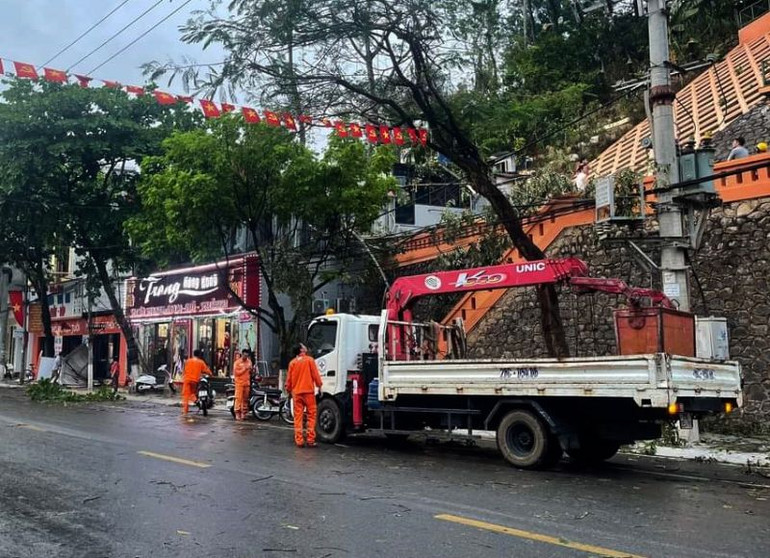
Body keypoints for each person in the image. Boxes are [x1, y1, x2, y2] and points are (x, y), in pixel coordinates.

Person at [285, 343, 323, 448]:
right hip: (308, 393)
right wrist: (319, 386)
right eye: (303, 346)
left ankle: (299, 441)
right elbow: (315, 375)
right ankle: (310, 440)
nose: (305, 346)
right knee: (311, 416)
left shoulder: (292, 363)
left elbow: (289, 380)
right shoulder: (309, 360)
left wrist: (288, 390)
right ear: (302, 350)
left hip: (296, 393)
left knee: (298, 417)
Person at [181, 349, 211, 415]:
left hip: (187, 380)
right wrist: (211, 374)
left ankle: (185, 411)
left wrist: (183, 378)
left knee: (186, 396)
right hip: (194, 381)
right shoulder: (201, 362)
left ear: (193, 354)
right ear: (199, 355)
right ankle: (196, 401)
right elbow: (206, 370)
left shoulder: (188, 361)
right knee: (192, 393)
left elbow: (184, 371)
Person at [233, 350, 253, 421]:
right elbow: (236, 373)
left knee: (245, 399)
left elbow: (250, 372)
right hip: (239, 383)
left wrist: (251, 370)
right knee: (238, 399)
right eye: (244, 355)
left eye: (247, 356)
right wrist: (244, 369)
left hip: (247, 383)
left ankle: (243, 413)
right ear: (242, 355)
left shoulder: (249, 362)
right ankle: (237, 413)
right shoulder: (237, 363)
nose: (246, 357)